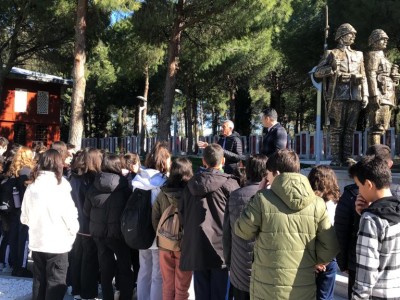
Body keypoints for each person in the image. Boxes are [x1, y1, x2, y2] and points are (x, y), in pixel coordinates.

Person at [235, 149, 339, 299]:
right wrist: (313, 261)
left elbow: (242, 230)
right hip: (303, 286)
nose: (267, 178)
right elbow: (330, 246)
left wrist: (257, 195)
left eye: (268, 174)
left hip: (267, 288)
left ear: (276, 173)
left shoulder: (262, 199)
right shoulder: (317, 203)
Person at [334, 144, 400, 299]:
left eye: (359, 186)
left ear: (369, 184)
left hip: (376, 294)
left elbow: (366, 273)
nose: (359, 191)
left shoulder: (371, 220)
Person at [179, 143, 240, 299]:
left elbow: (182, 214)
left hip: (197, 247)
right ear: (223, 161)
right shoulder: (231, 184)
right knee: (221, 294)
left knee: (202, 294)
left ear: (204, 162)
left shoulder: (191, 184)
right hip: (222, 249)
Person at [20, 149, 79, 300]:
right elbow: (70, 215)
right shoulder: (61, 186)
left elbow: (24, 218)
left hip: (37, 241)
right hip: (58, 243)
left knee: (39, 281)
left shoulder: (31, 186)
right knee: (56, 283)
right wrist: (73, 231)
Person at [315, 23, 369, 166]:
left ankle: (346, 156)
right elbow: (318, 72)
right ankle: (336, 158)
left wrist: (366, 95)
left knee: (350, 128)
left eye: (353, 34)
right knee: (337, 128)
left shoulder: (359, 54)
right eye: (350, 34)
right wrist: (332, 71)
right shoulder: (332, 53)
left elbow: (363, 75)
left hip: (355, 95)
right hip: (337, 95)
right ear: (341, 36)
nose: (353, 36)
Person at [84, 153, 133, 300]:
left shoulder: (94, 184)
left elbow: (86, 210)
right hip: (118, 233)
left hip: (98, 232)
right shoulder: (124, 185)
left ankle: (107, 296)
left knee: (105, 267)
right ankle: (125, 295)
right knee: (125, 267)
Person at [223, 154, 268, 300]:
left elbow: (227, 235)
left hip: (239, 266)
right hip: (265, 269)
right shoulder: (271, 198)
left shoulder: (235, 196)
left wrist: (229, 262)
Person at [132, 141, 171, 300]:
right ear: (163, 160)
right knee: (158, 273)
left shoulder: (138, 179)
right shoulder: (162, 182)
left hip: (140, 229)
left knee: (144, 269)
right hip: (157, 231)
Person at [152, 157, 194, 300]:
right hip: (184, 246)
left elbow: (155, 217)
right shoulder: (192, 193)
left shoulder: (163, 192)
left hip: (165, 244)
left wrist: (162, 233)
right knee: (182, 288)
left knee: (168, 285)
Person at [69, 148, 102, 300]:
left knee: (78, 257)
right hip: (89, 223)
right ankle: (87, 293)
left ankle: (76, 289)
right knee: (89, 259)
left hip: (77, 223)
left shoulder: (74, 177)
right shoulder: (90, 179)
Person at [308, 165, 340, 300]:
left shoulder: (309, 204)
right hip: (329, 258)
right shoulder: (336, 203)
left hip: (311, 256)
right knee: (325, 296)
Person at [365, 29, 400, 146]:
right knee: (377, 126)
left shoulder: (384, 58)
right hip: (380, 94)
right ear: (375, 41)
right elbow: (371, 74)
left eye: (386, 39)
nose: (386, 41)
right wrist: (374, 94)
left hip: (388, 95)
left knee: (383, 126)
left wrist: (395, 77)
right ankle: (374, 154)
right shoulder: (373, 55)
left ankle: (378, 153)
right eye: (382, 39)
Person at [5, 146, 35, 278]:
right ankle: (21, 267)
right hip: (24, 209)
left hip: (12, 209)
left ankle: (13, 263)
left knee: (13, 237)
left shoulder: (13, 171)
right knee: (24, 239)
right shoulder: (27, 172)